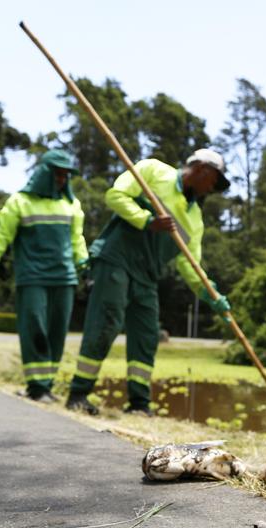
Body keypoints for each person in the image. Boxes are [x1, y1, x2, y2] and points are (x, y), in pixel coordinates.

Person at [65, 148, 232, 416]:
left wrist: (210, 293)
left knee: (146, 335)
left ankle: (139, 404)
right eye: (213, 181)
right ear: (202, 169)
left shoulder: (194, 219)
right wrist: (147, 221)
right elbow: (115, 195)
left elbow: (191, 265)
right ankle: (78, 393)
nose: (211, 189)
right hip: (116, 260)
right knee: (106, 322)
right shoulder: (154, 171)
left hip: (147, 275)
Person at [0, 150, 88, 403]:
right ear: (44, 174)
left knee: (57, 332)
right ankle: (36, 386)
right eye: (58, 174)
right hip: (33, 277)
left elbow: (77, 240)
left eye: (66, 175)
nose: (62, 180)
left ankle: (47, 385)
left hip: (64, 277)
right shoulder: (20, 202)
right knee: (35, 328)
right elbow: (2, 234)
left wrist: (84, 265)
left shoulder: (70, 204)